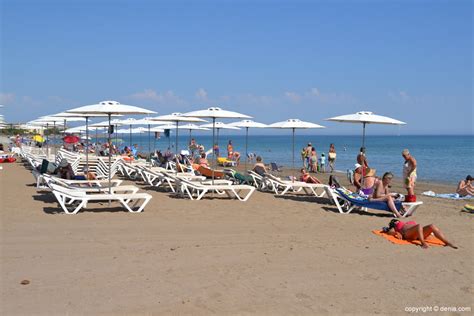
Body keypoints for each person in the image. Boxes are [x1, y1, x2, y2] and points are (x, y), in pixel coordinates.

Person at [383, 219, 457, 249]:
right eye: (394, 222)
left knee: (432, 226)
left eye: (396, 221)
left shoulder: (406, 222)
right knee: (419, 225)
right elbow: (388, 231)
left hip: (417, 233)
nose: (396, 221)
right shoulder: (396, 227)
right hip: (407, 234)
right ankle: (423, 243)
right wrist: (396, 232)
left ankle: (447, 242)